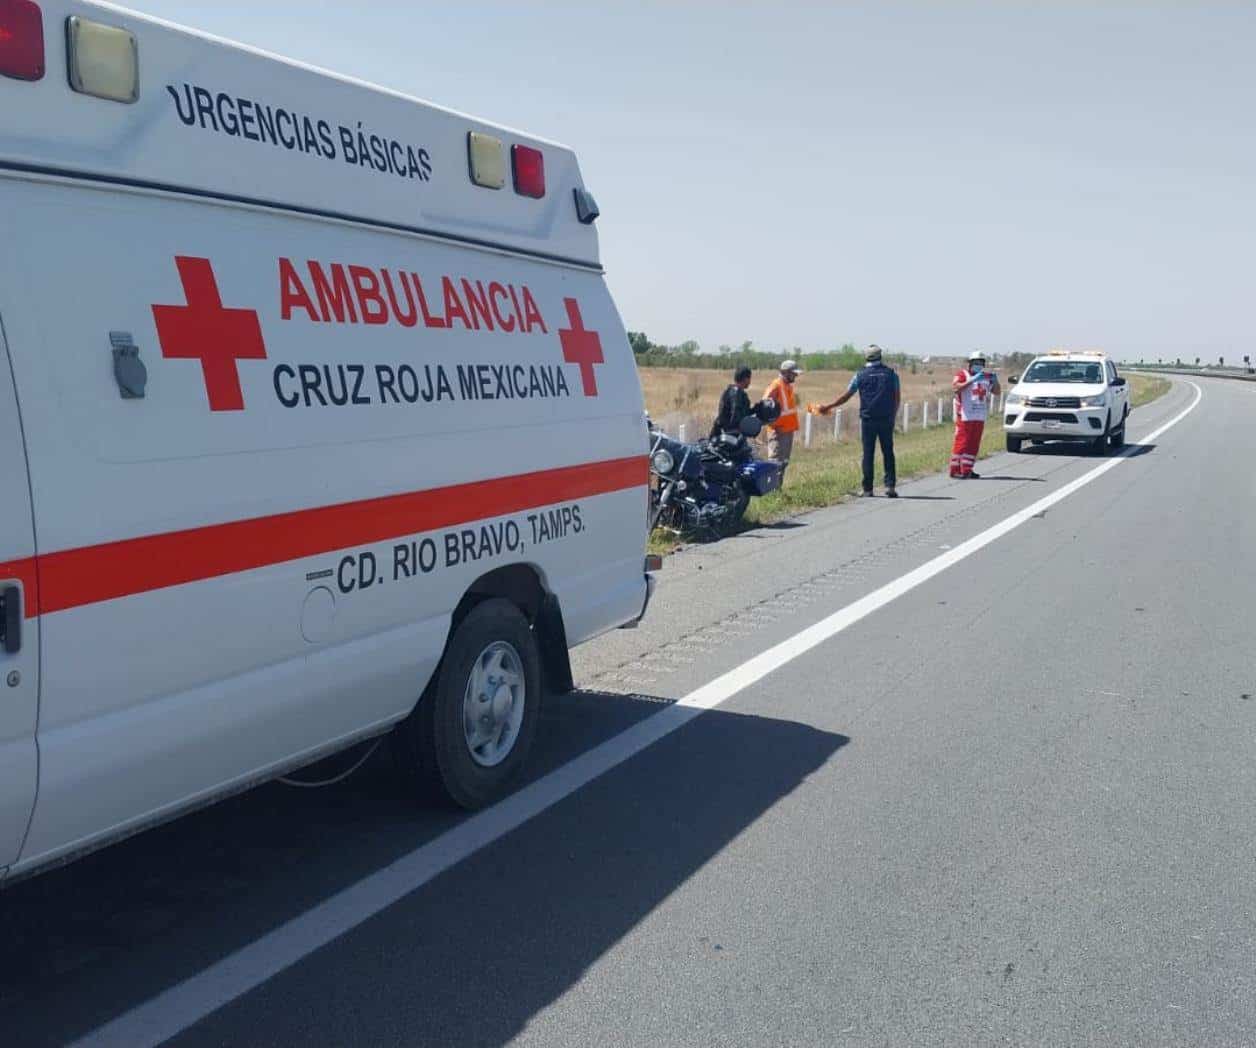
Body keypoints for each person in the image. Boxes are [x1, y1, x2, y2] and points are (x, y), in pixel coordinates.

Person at [818, 344, 901, 497]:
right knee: (888, 452)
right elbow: (897, 398)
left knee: (868, 453)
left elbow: (846, 395)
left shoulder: (860, 375)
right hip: (886, 419)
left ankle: (868, 489)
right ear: (880, 356)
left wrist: (829, 406)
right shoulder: (891, 374)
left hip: (868, 419)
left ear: (866, 357)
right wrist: (892, 416)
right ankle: (890, 486)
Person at [950, 350, 1000, 478]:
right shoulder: (962, 374)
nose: (978, 365)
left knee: (974, 444)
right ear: (970, 363)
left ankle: (967, 469)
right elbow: (955, 388)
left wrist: (995, 381)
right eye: (976, 362)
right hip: (965, 415)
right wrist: (971, 380)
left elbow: (997, 392)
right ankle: (955, 470)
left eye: (980, 363)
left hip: (979, 416)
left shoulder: (985, 377)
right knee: (962, 442)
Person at [762, 360, 802, 472]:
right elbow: (764, 405)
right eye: (794, 373)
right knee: (775, 462)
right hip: (778, 432)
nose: (796, 376)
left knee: (783, 463)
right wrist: (773, 423)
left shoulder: (788, 386)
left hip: (788, 431)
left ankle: (778, 488)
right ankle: (772, 489)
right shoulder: (776, 385)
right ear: (785, 372)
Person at [709, 365, 753, 439]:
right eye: (749, 378)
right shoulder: (735, 394)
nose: (750, 382)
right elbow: (735, 416)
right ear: (745, 379)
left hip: (725, 435)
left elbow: (744, 413)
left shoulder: (736, 392)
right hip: (727, 437)